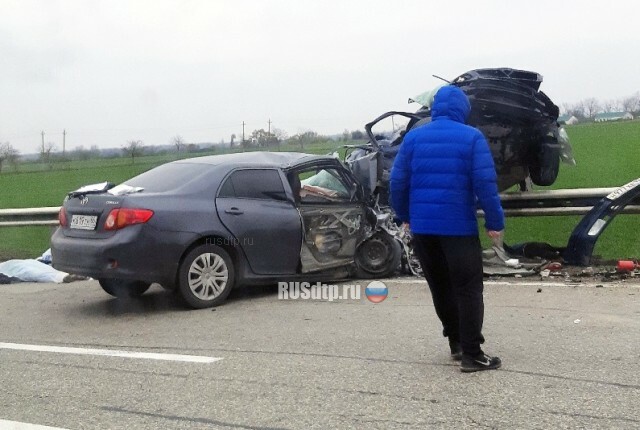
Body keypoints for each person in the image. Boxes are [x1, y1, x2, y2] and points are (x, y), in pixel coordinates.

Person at [390, 85, 505, 373]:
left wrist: (404, 215)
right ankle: (472, 354)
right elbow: (486, 186)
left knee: (441, 288)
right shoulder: (471, 137)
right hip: (458, 229)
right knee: (467, 289)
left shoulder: (413, 137)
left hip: (424, 232)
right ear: (462, 110)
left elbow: (397, 182)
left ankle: (455, 343)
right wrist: (494, 222)